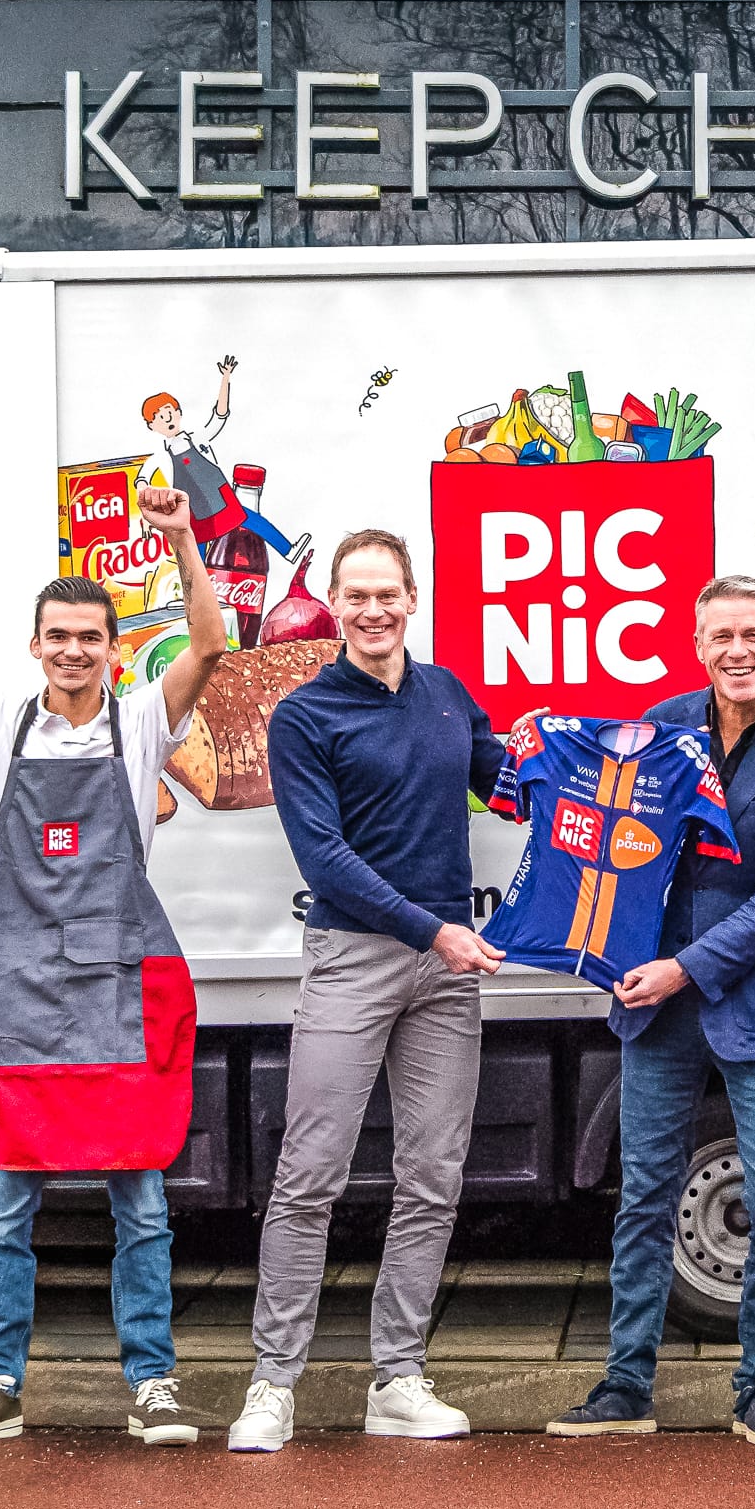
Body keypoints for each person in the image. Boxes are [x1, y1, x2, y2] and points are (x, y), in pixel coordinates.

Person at [0, 462, 226, 1448]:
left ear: (115, 649)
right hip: (28, 990)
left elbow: (212, 640)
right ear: (37, 647)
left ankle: (153, 1381)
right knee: (4, 1203)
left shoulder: (144, 721)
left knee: (144, 1202)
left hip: (117, 988)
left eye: (91, 637)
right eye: (59, 637)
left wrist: (179, 537)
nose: (74, 651)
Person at [547, 574, 755, 1446]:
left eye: (753, 634)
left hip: (754, 1004)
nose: (738, 651)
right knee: (642, 1196)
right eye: (721, 637)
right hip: (657, 1007)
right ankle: (624, 1386)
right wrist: (599, 944)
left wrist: (681, 967)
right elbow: (615, 851)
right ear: (697, 644)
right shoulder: (659, 730)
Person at [228, 529, 507, 1454]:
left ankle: (397, 1378)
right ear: (335, 607)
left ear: (412, 598)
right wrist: (433, 930)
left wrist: (603, 767)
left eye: (388, 594)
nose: (373, 611)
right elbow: (327, 863)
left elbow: (506, 788)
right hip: (357, 955)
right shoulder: (304, 717)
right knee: (310, 1178)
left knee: (432, 1177)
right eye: (356, 597)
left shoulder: (445, 695)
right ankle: (272, 1385)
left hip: (445, 968)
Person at [140, 361, 307, 566]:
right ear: (151, 425)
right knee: (196, 542)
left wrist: (225, 378)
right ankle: (196, 589)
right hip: (192, 506)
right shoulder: (160, 457)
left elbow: (219, 416)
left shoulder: (198, 438)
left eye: (170, 412)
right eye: (160, 417)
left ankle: (288, 550)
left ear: (178, 412)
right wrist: (147, 508)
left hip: (217, 493)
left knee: (248, 518)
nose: (167, 419)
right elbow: (142, 479)